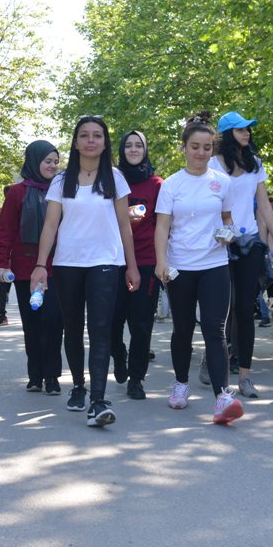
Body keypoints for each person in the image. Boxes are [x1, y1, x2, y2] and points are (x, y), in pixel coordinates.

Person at [31, 116, 139, 427]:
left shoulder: (115, 178)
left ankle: (98, 401)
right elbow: (50, 225)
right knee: (73, 327)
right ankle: (78, 386)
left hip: (106, 262)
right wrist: (41, 265)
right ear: (76, 142)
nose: (91, 140)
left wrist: (132, 266)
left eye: (97, 135)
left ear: (105, 143)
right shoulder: (61, 180)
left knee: (101, 328)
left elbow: (125, 225)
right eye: (84, 135)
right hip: (67, 263)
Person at [155, 114, 244, 424]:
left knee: (214, 329)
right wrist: (161, 261)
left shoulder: (223, 182)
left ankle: (222, 397)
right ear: (184, 147)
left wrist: (230, 233)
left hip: (214, 264)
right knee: (183, 329)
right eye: (195, 147)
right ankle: (180, 384)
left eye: (207, 148)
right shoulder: (171, 184)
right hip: (180, 265)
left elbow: (228, 220)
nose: (201, 153)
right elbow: (162, 226)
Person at [209, 111, 273, 399]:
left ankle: (245, 376)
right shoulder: (213, 164)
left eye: (248, 129)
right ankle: (212, 359)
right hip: (220, 243)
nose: (247, 133)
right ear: (228, 134)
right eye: (241, 129)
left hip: (250, 241)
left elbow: (264, 204)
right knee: (221, 309)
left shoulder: (255, 164)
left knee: (244, 308)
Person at [0, 141, 64, 393]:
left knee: (53, 322)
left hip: (57, 268)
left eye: (56, 161)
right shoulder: (17, 192)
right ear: (34, 161)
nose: (53, 166)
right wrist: (1, 264)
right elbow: (5, 232)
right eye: (48, 161)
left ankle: (52, 375)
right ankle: (35, 374)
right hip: (25, 269)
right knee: (32, 324)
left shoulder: (63, 190)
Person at [111, 130, 163, 401]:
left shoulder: (157, 185)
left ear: (145, 150)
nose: (133, 149)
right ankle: (118, 354)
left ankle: (136, 378)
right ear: (121, 150)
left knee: (141, 324)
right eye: (128, 145)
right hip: (113, 261)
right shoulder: (111, 180)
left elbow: (164, 223)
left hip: (146, 262)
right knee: (111, 322)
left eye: (138, 145)